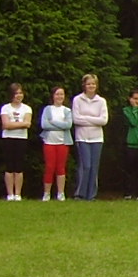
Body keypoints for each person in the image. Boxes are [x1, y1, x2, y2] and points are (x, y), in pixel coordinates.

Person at [71, 73, 109, 201]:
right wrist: (94, 119)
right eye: (88, 84)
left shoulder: (101, 101)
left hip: (97, 138)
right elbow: (76, 119)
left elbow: (103, 120)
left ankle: (91, 195)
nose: (91, 86)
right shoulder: (78, 100)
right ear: (84, 85)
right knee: (85, 166)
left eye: (93, 84)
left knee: (94, 167)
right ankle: (80, 194)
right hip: (82, 138)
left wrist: (86, 118)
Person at [38, 85, 73, 201]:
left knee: (61, 168)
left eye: (61, 94)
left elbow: (68, 125)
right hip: (49, 143)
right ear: (53, 96)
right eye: (57, 94)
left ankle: (61, 193)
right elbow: (44, 125)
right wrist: (60, 125)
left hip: (62, 143)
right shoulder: (48, 109)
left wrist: (53, 122)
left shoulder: (67, 111)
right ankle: (46, 193)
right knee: (49, 167)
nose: (59, 96)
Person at [0, 83, 34, 201]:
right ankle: (10, 194)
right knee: (9, 167)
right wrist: (20, 124)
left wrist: (13, 124)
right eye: (16, 93)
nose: (19, 95)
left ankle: (18, 194)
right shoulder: (5, 108)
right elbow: (5, 125)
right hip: (8, 138)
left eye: (20, 93)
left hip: (21, 139)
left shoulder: (27, 108)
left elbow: (28, 124)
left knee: (19, 167)